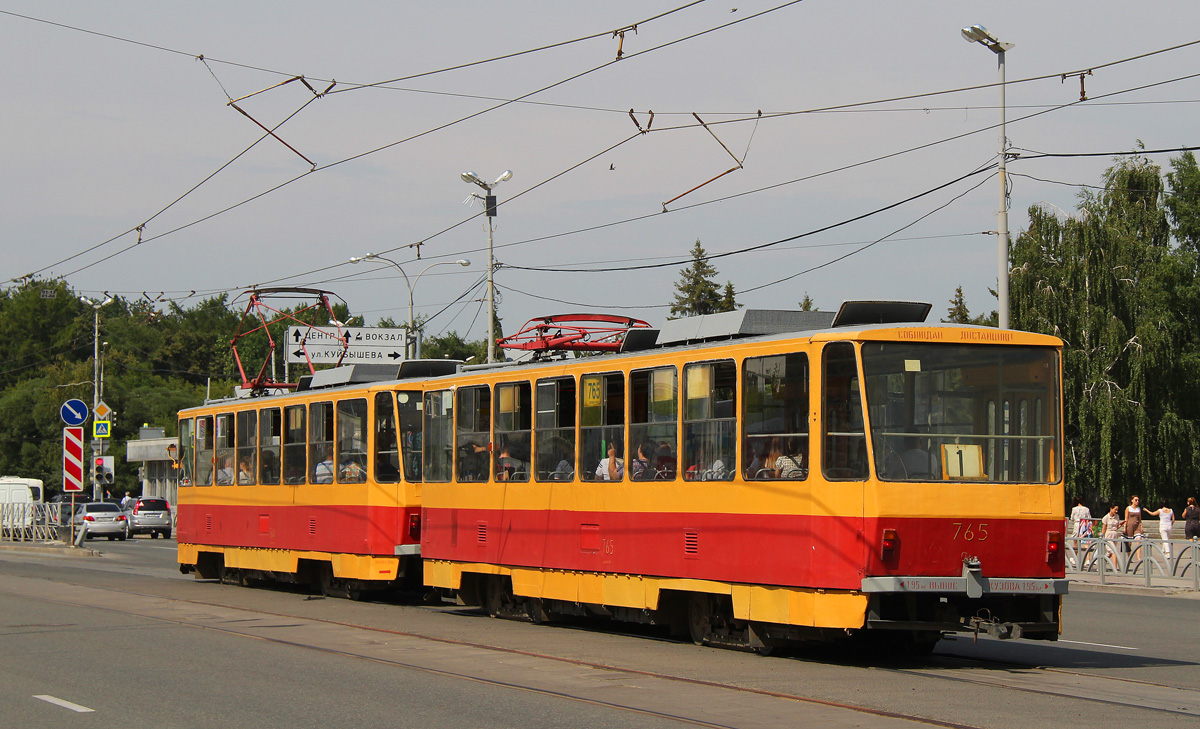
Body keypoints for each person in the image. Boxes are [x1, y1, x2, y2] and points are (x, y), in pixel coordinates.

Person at [1100, 504, 1123, 570]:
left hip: (1115, 536)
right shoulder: (1106, 518)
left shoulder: (1117, 516)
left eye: (1117, 510)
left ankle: (1101, 563)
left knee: (1110, 553)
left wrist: (1120, 525)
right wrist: (1102, 537)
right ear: (1111, 509)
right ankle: (1115, 568)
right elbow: (1104, 528)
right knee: (1114, 551)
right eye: (1115, 509)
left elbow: (1117, 526)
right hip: (1108, 536)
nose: (1116, 511)